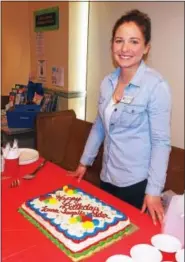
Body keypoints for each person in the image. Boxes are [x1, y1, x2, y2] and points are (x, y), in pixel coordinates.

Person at [68, 9, 172, 225]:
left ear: (146, 48)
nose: (125, 48)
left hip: (137, 183)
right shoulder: (107, 83)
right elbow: (99, 127)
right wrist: (83, 163)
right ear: (112, 45)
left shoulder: (156, 86)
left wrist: (153, 191)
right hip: (107, 177)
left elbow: (161, 143)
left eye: (134, 41)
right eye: (119, 41)